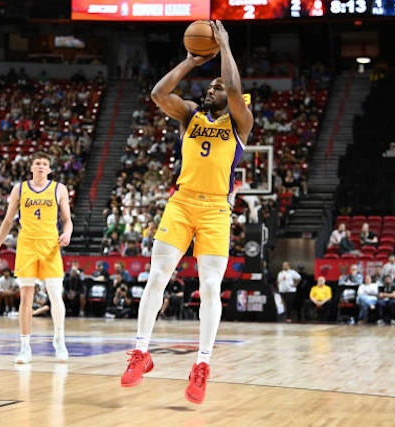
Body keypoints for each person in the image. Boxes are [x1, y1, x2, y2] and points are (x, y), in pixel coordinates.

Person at [120, 20, 254, 405]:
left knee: (210, 287)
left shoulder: (240, 121)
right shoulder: (190, 116)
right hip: (181, 202)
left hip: (215, 209)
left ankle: (202, 366)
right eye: (208, 87)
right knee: (157, 275)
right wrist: (191, 62)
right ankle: (141, 353)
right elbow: (159, 92)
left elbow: (232, 87)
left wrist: (225, 46)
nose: (213, 89)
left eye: (217, 88)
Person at [0, 151, 73, 364]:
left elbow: (67, 220)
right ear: (31, 167)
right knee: (26, 297)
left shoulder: (59, 189)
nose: (41, 167)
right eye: (37, 163)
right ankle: (25, 347)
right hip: (26, 245)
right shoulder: (19, 189)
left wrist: (67, 233)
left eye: (45, 164)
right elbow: (8, 221)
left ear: (50, 169)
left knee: (55, 294)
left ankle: (59, 340)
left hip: (50, 246)